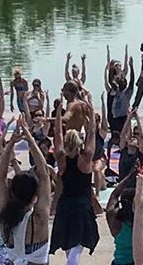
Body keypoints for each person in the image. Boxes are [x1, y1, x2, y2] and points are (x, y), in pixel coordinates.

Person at [0, 116, 51, 265]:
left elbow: (0, 179)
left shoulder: (4, 216)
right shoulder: (39, 217)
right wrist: (29, 139)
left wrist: (12, 142)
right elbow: (44, 174)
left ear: (11, 193)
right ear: (35, 195)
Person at [49, 100, 100, 264]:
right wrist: (91, 115)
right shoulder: (86, 159)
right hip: (82, 205)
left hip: (65, 204)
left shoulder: (61, 159)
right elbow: (92, 132)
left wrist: (58, 113)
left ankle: (72, 261)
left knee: (68, 242)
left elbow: (57, 133)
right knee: (76, 242)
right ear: (79, 142)